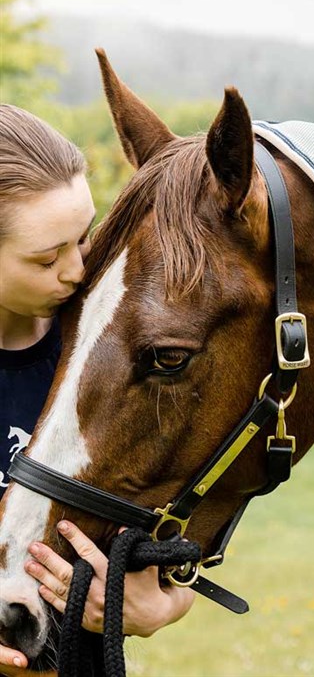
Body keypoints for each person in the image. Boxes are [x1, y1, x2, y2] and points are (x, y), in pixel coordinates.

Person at [0, 104, 195, 676]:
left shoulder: (108, 351)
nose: (78, 271)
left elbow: (176, 542)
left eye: (83, 239)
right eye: (46, 257)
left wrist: (161, 605)